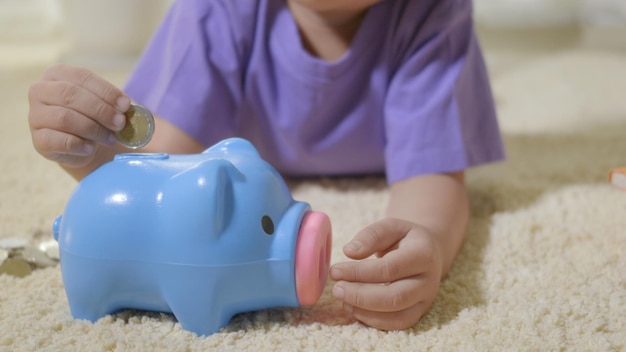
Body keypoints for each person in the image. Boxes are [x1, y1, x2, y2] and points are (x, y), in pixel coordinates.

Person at [28, 0, 504, 331]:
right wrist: (91, 155)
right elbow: (162, 176)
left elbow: (434, 180)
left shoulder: (433, 13)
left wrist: (427, 244)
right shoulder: (217, 11)